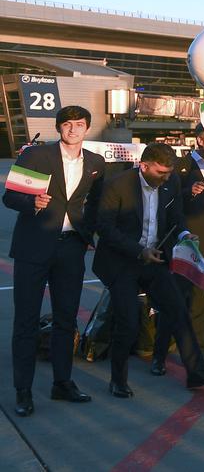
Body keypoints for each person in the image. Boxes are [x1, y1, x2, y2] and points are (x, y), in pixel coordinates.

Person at [93, 144, 204, 397]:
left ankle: (196, 373)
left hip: (154, 259)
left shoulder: (171, 181)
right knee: (128, 322)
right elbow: (105, 228)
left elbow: (176, 216)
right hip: (122, 262)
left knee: (178, 311)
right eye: (161, 172)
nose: (166, 178)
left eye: (169, 173)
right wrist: (138, 250)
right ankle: (118, 380)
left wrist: (185, 234)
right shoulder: (117, 185)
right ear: (144, 166)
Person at [5, 105, 105, 416]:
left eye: (79, 124)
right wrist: (31, 202)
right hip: (33, 248)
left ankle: (62, 382)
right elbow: (10, 197)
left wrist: (87, 233)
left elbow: (96, 204)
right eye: (67, 124)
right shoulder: (36, 155)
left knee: (66, 319)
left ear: (87, 128)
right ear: (59, 127)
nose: (73, 129)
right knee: (26, 321)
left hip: (71, 248)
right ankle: (23, 390)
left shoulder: (96, 163)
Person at [154, 124, 204, 373]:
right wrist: (189, 192)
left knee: (201, 304)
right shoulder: (180, 166)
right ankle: (159, 356)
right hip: (183, 244)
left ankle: (197, 357)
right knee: (174, 302)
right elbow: (165, 201)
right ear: (199, 141)